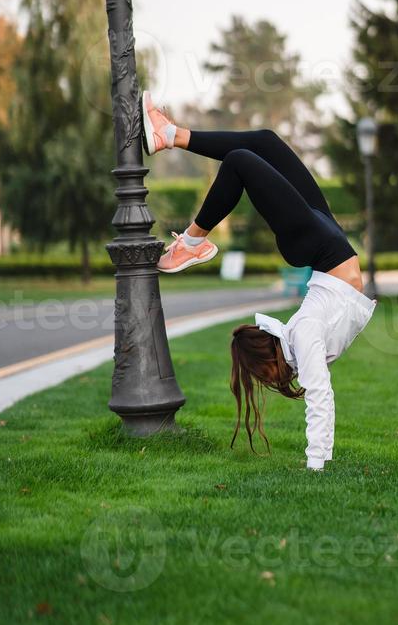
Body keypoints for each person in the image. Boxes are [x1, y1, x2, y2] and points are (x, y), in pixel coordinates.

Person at [142, 92, 377, 471]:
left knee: (265, 142)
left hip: (326, 248)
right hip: (319, 246)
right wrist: (317, 462)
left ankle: (168, 135)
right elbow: (321, 396)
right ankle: (190, 243)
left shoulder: (297, 335)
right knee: (239, 162)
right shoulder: (303, 339)